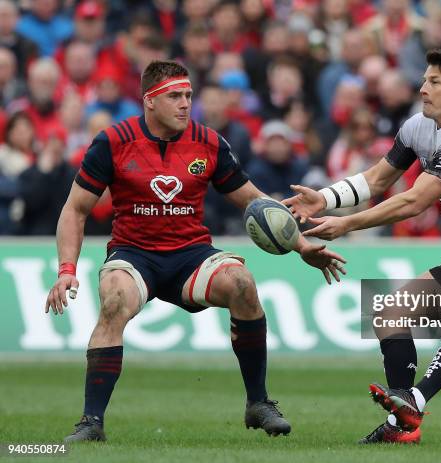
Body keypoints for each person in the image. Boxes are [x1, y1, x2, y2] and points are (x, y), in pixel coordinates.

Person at [44, 60, 346, 443]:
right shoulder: (113, 141)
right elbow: (75, 209)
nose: (185, 103)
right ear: (150, 101)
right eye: (175, 96)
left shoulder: (209, 142)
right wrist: (66, 269)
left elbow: (254, 201)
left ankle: (258, 403)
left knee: (241, 283)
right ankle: (91, 422)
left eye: (188, 95)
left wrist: (300, 244)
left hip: (190, 254)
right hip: (134, 253)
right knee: (115, 300)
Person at [284, 49, 441, 444]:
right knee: (389, 314)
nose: (422, 88)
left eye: (434, 82)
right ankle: (402, 424)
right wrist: (325, 199)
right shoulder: (417, 128)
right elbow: (375, 180)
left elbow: (414, 201)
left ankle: (414, 400)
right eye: (423, 80)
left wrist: (349, 223)